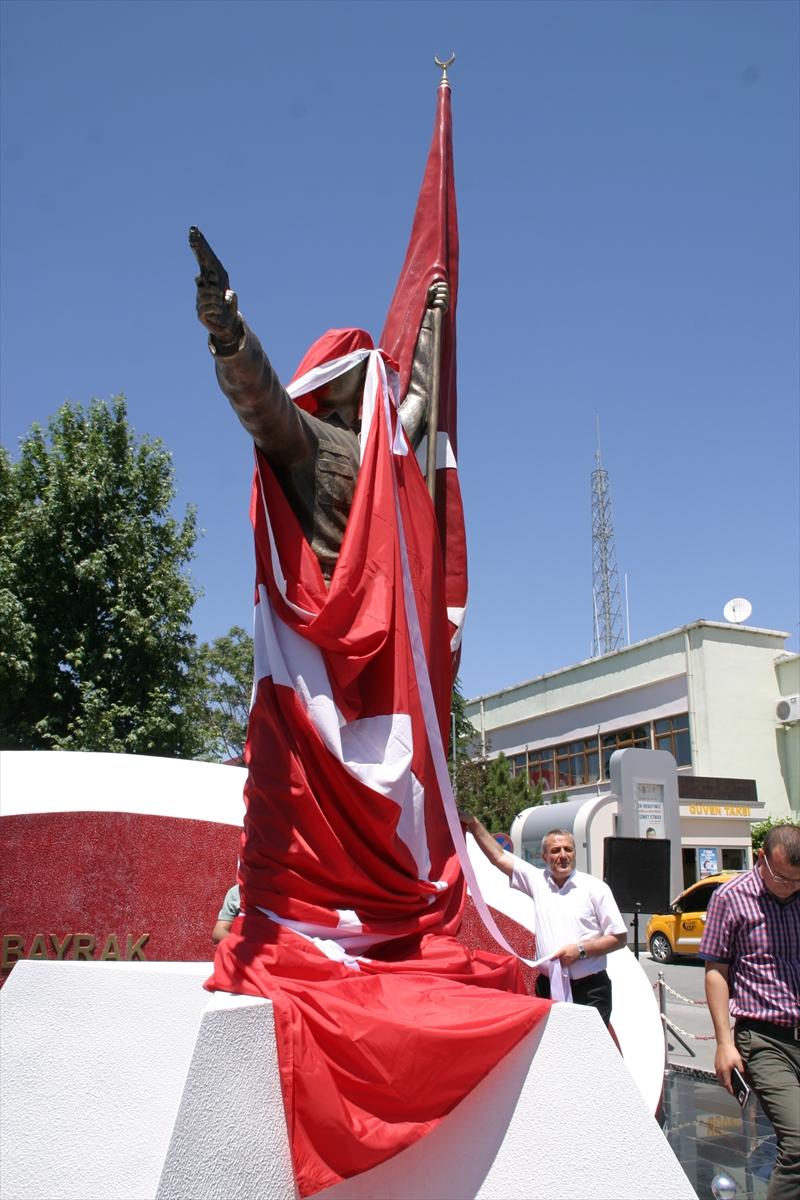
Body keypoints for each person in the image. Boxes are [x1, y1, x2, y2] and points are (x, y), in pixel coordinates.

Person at [191, 227, 447, 581]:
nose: (338, 370)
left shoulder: (378, 441)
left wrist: (430, 319)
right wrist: (229, 336)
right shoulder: (305, 434)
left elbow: (419, 394)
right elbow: (257, 397)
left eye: (352, 363)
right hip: (321, 600)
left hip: (378, 600)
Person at [700, 825, 800, 1200]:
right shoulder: (730, 897)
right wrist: (724, 1043)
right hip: (764, 1038)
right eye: (782, 878)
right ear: (761, 858)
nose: (790, 887)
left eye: (797, 880)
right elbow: (716, 971)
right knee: (798, 1143)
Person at [459, 813, 627, 1026]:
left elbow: (619, 938)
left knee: (586, 1046)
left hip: (590, 990)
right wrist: (473, 823)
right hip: (548, 987)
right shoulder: (538, 881)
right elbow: (499, 856)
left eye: (568, 849)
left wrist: (580, 950)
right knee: (552, 1044)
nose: (563, 855)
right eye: (556, 850)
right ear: (544, 856)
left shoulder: (595, 888)